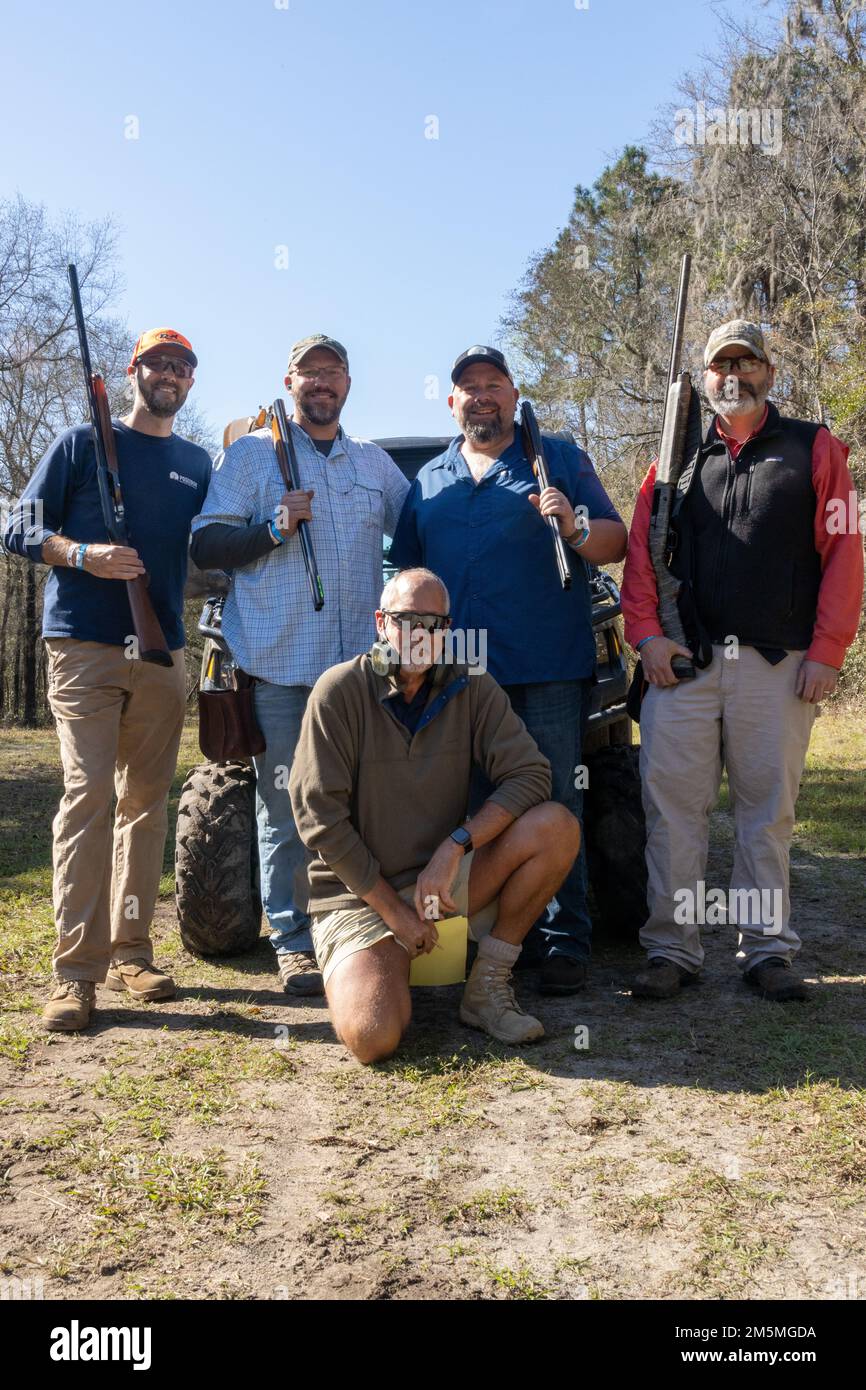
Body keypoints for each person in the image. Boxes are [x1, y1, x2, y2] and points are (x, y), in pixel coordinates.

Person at [621, 319, 864, 1002]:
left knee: (765, 816)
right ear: (703, 380)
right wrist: (647, 639)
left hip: (779, 667)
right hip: (683, 669)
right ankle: (673, 948)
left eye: (746, 361)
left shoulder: (817, 449)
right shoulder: (672, 464)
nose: (733, 373)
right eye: (720, 363)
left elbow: (845, 555)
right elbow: (641, 559)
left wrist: (828, 651)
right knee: (674, 814)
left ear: (769, 373)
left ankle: (764, 952)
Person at [389, 346, 627, 995]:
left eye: (494, 383)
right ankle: (476, 938)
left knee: (552, 799)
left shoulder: (557, 456)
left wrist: (575, 530)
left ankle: (561, 941)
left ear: (513, 393)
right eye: (469, 386)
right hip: (455, 677)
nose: (482, 395)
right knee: (461, 808)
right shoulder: (429, 480)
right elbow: (399, 570)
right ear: (452, 401)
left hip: (545, 665)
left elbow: (616, 539)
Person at [3, 327, 212, 1031]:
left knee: (146, 805)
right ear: (132, 372)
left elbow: (212, 544)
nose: (168, 375)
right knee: (89, 795)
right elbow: (18, 525)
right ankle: (74, 974)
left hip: (162, 651)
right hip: (83, 648)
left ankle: (133, 952)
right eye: (157, 362)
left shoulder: (194, 461)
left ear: (190, 382)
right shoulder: (78, 443)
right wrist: (82, 553)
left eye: (181, 367)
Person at [190, 335, 409, 996]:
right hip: (280, 670)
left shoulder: (372, 464)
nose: (322, 382)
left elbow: (423, 528)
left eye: (333, 371)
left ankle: (355, 927)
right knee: (285, 808)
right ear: (290, 381)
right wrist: (273, 530)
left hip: (360, 675)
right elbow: (206, 542)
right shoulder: (252, 456)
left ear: (347, 382)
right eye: (310, 371)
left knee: (362, 806)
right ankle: (292, 942)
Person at [288, 567, 580, 1061]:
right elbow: (320, 820)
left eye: (436, 624)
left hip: (439, 885)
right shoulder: (337, 692)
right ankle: (386, 962)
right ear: (381, 622)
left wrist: (456, 845)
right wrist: (395, 914)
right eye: (408, 621)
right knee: (373, 1037)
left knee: (556, 827)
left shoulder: (472, 687)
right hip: (360, 897)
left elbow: (531, 774)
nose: (422, 635)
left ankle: (487, 984)